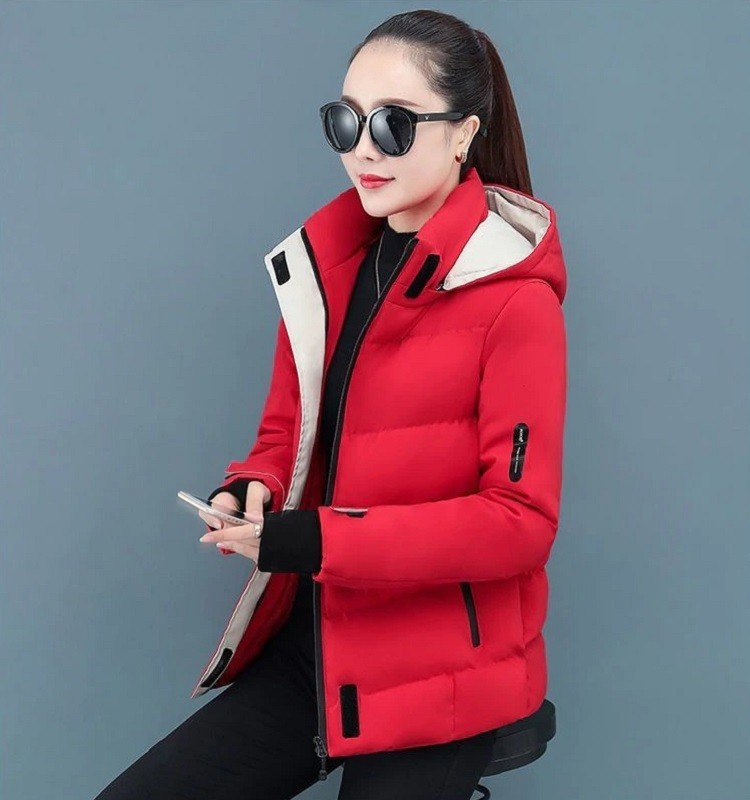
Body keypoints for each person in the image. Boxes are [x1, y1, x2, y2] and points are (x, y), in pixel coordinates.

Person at [93, 8, 567, 800]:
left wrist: (311, 539)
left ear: (463, 134)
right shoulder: (325, 268)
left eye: (393, 124)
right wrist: (255, 486)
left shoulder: (516, 301)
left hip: (442, 675)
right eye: (346, 122)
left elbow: (519, 523)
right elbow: (288, 432)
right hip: (322, 648)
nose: (363, 150)